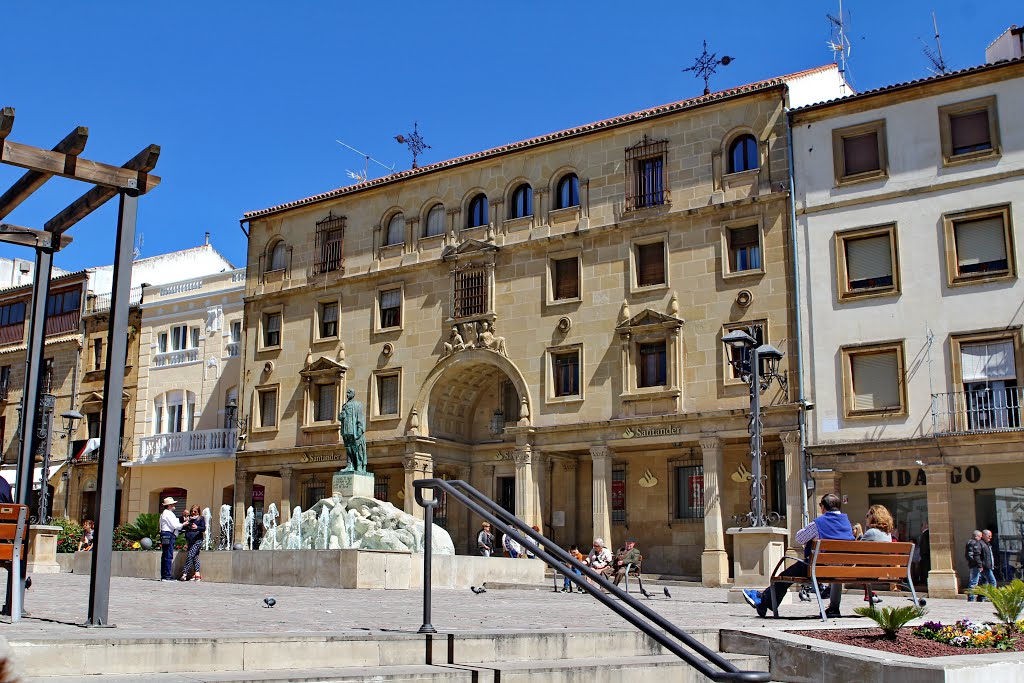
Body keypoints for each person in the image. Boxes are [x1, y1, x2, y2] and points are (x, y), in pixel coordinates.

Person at [742, 493, 854, 618]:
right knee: (830, 570)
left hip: (818, 568)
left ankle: (763, 601)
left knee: (784, 577)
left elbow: (799, 538)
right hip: (841, 569)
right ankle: (833, 608)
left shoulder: (819, 523)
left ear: (823, 507)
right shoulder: (846, 523)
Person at [858, 504, 894, 605]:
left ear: (874, 516)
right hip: (880, 570)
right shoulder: (888, 534)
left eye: (867, 515)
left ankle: (833, 606)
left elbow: (856, 551)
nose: (866, 518)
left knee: (837, 568)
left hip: (866, 571)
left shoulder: (871, 533)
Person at [338, 388, 367, 473]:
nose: (347, 394)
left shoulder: (357, 405)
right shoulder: (344, 405)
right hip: (346, 430)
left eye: (349, 392)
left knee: (356, 448)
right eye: (347, 392)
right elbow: (340, 418)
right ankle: (349, 465)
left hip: (353, 430)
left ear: (353, 394)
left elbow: (360, 417)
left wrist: (360, 429)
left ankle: (359, 465)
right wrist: (341, 416)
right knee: (348, 448)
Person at [159, 497, 183, 582]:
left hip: (166, 535)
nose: (174, 505)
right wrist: (183, 524)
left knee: (165, 555)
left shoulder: (165, 513)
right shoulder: (168, 513)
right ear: (169, 505)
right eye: (173, 504)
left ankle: (165, 575)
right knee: (168, 555)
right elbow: (175, 525)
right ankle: (166, 576)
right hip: (169, 535)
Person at [180, 505, 206, 581]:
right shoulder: (189, 519)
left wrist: (197, 527)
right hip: (190, 540)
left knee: (190, 554)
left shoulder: (200, 519)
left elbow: (203, 528)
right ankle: (197, 574)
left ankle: (184, 573)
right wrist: (185, 520)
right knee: (195, 557)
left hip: (197, 540)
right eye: (192, 511)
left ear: (198, 512)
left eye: (195, 511)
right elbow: (183, 527)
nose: (193, 513)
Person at [965, 530, 986, 601]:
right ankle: (971, 597)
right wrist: (977, 563)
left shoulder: (973, 543)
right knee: (974, 581)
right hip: (975, 566)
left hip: (975, 565)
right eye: (980, 536)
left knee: (979, 580)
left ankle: (980, 597)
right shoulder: (972, 543)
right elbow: (970, 555)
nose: (981, 538)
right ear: (976, 536)